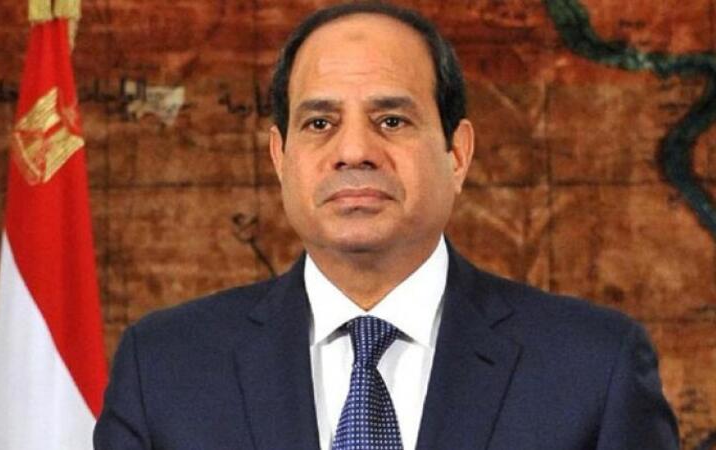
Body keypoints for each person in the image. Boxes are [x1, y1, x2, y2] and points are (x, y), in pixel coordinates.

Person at [94, 2, 680, 449]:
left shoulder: (594, 367)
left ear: (457, 153)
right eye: (319, 123)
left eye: (392, 120)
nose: (354, 151)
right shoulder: (164, 367)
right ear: (279, 157)